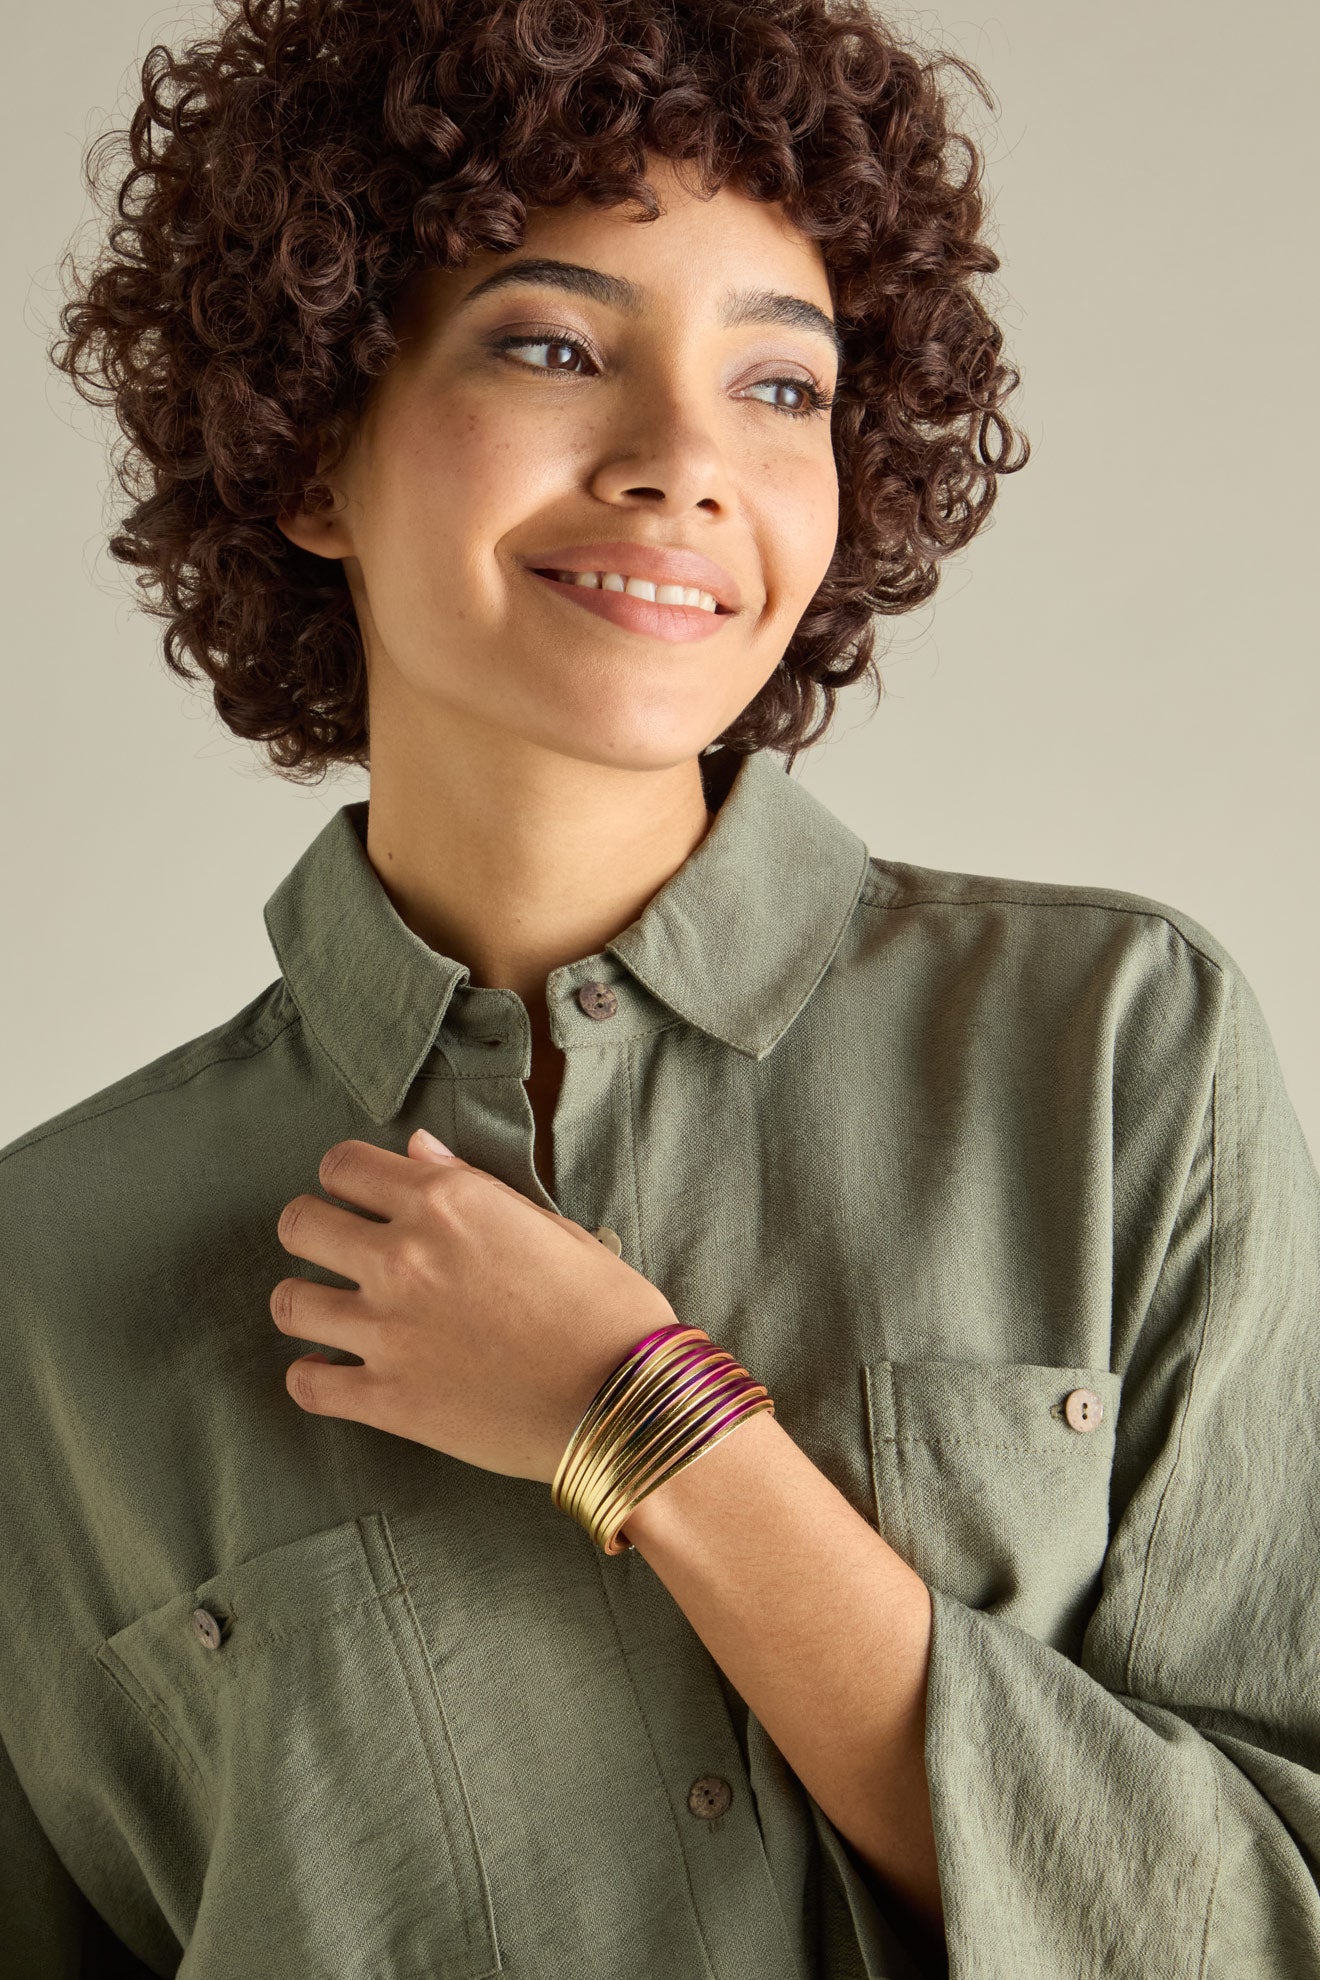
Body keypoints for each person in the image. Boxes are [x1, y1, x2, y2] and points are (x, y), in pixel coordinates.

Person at [3, 0, 1318, 1974]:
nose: (686, 462)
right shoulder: (40, 1278)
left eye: (782, 388)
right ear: (307, 449)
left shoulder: (1117, 1054)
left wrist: (650, 1421)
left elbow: (1272, 1918)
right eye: (551, 345)